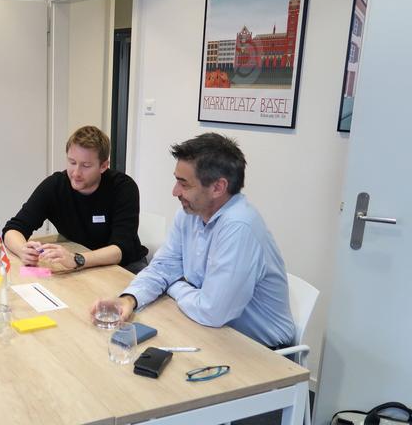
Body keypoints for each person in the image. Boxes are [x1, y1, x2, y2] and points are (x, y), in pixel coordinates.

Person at [92, 133, 294, 348]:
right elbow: (162, 268)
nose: (175, 191)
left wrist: (174, 284)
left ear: (218, 187)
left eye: (184, 184)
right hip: (213, 332)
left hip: (261, 351)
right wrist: (128, 299)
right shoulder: (191, 213)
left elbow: (212, 311)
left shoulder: (239, 227)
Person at [3, 125, 148, 273]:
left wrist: (77, 259)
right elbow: (13, 229)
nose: (76, 173)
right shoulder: (55, 186)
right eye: (72, 162)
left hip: (125, 266)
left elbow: (120, 249)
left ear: (103, 166)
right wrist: (23, 250)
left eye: (86, 165)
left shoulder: (123, 187)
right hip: (80, 265)